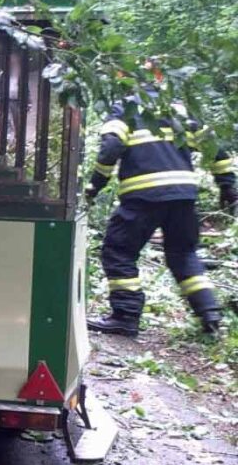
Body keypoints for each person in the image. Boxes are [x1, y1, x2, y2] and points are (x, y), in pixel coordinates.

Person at [86, 92, 236, 338]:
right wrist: (228, 187)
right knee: (183, 254)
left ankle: (125, 316)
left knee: (118, 251)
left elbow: (111, 147)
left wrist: (94, 186)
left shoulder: (125, 108)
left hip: (143, 197)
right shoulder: (179, 111)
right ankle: (209, 313)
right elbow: (215, 148)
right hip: (183, 195)